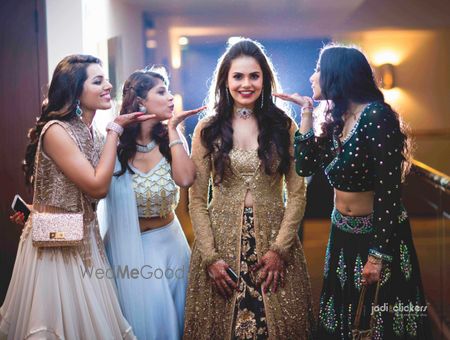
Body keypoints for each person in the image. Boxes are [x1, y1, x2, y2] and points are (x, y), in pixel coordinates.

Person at [275, 44, 432, 339]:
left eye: (318, 70)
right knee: (346, 318)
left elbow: (389, 191)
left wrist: (377, 256)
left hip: (379, 238)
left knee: (379, 321)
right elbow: (305, 165)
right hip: (342, 235)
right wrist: (307, 113)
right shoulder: (337, 117)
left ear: (337, 74)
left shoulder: (376, 116)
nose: (312, 77)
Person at [0, 54, 152, 339]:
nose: (108, 85)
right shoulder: (56, 131)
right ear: (75, 91)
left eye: (106, 79)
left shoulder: (91, 131)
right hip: (55, 247)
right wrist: (115, 130)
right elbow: (96, 187)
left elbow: (71, 190)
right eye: (97, 81)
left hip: (86, 241)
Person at [184, 38, 315, 340]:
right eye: (238, 76)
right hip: (220, 246)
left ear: (265, 79)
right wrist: (210, 257)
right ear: (225, 81)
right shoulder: (208, 128)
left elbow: (296, 193)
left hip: (275, 244)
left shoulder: (283, 125)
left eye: (254, 76)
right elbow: (196, 201)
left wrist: (280, 250)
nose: (246, 84)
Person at [97, 66, 203, 340]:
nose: (171, 98)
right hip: (128, 248)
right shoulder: (115, 146)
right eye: (162, 91)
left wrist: (172, 130)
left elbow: (186, 179)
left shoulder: (172, 142)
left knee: (173, 320)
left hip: (169, 245)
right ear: (141, 101)